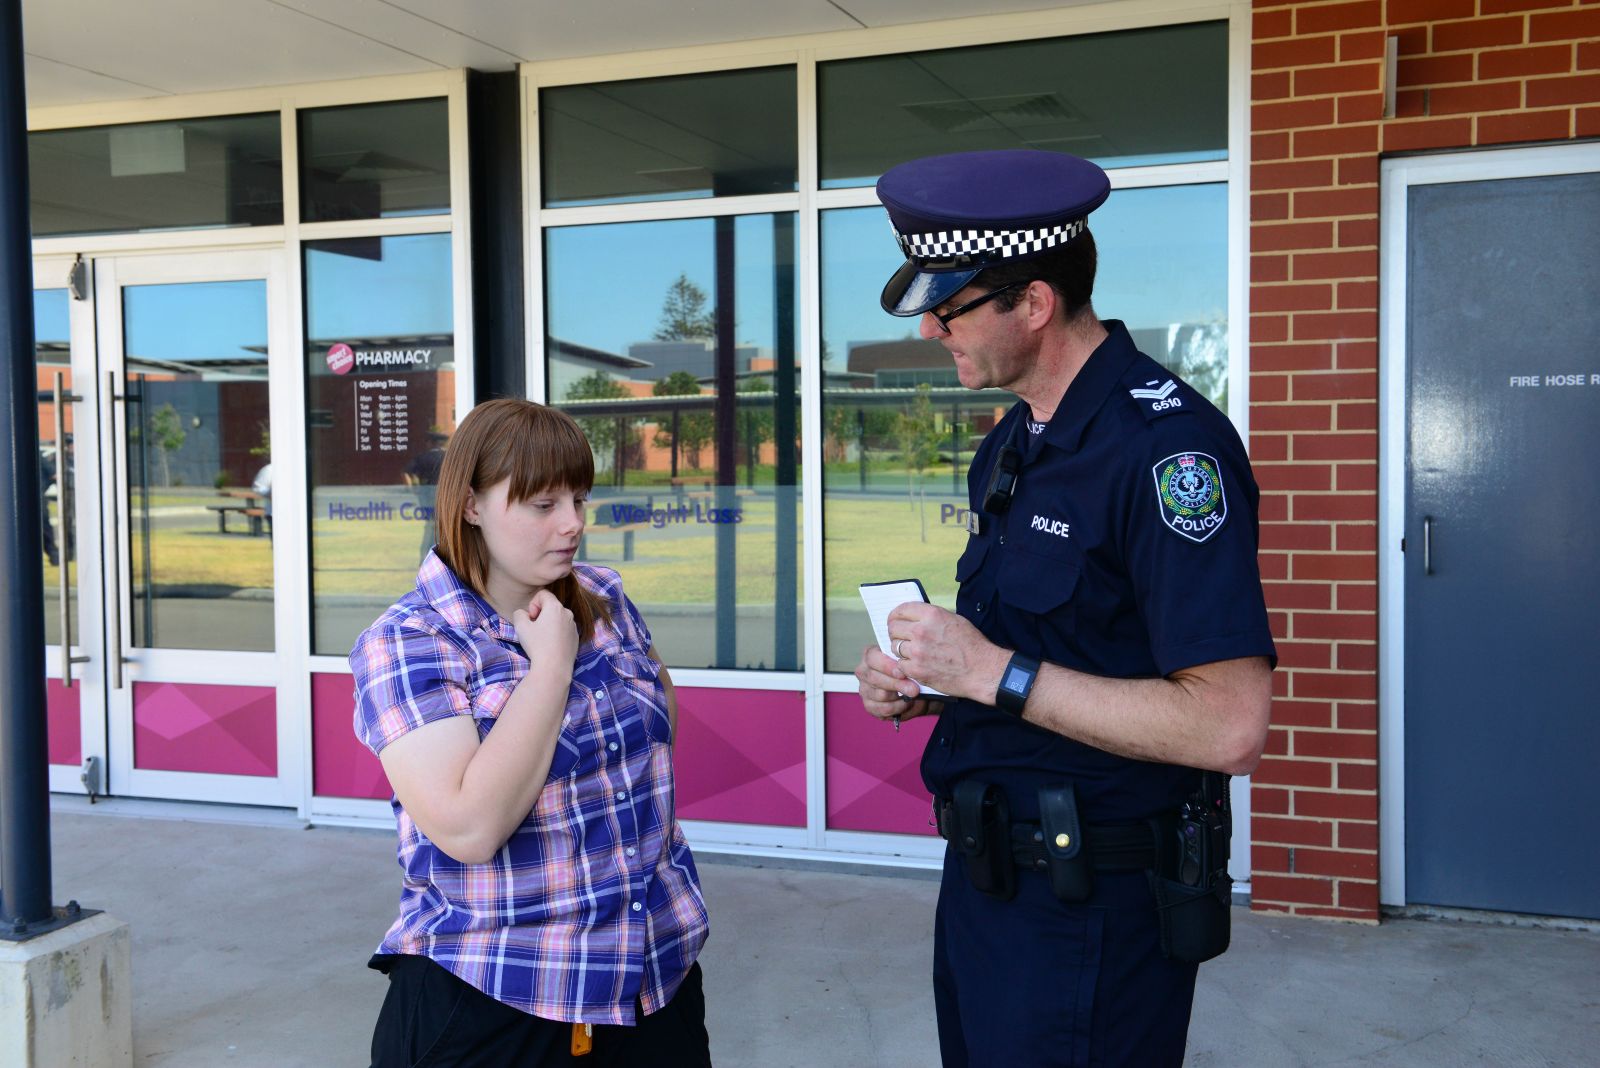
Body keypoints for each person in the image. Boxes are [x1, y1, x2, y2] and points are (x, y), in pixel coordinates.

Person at [853, 149, 1276, 1067]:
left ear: (1034, 303)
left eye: (952, 305)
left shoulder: (1168, 453)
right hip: (986, 884)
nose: (931, 330)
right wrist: (937, 681)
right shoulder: (1015, 439)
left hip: (1095, 907)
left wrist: (989, 671)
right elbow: (1047, 652)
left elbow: (1229, 727)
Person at [351, 398, 711, 1067]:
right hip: (499, 993)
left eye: (579, 498)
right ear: (470, 505)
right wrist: (550, 668)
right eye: (543, 505)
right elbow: (468, 828)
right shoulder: (411, 642)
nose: (572, 524)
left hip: (652, 980)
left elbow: (655, 734)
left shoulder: (604, 598)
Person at [403, 429, 449, 562]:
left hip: (428, 500)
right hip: (446, 500)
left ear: (430, 443)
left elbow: (406, 472)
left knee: (430, 529)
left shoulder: (422, 457)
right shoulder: (450, 457)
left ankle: (424, 559)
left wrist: (412, 489)